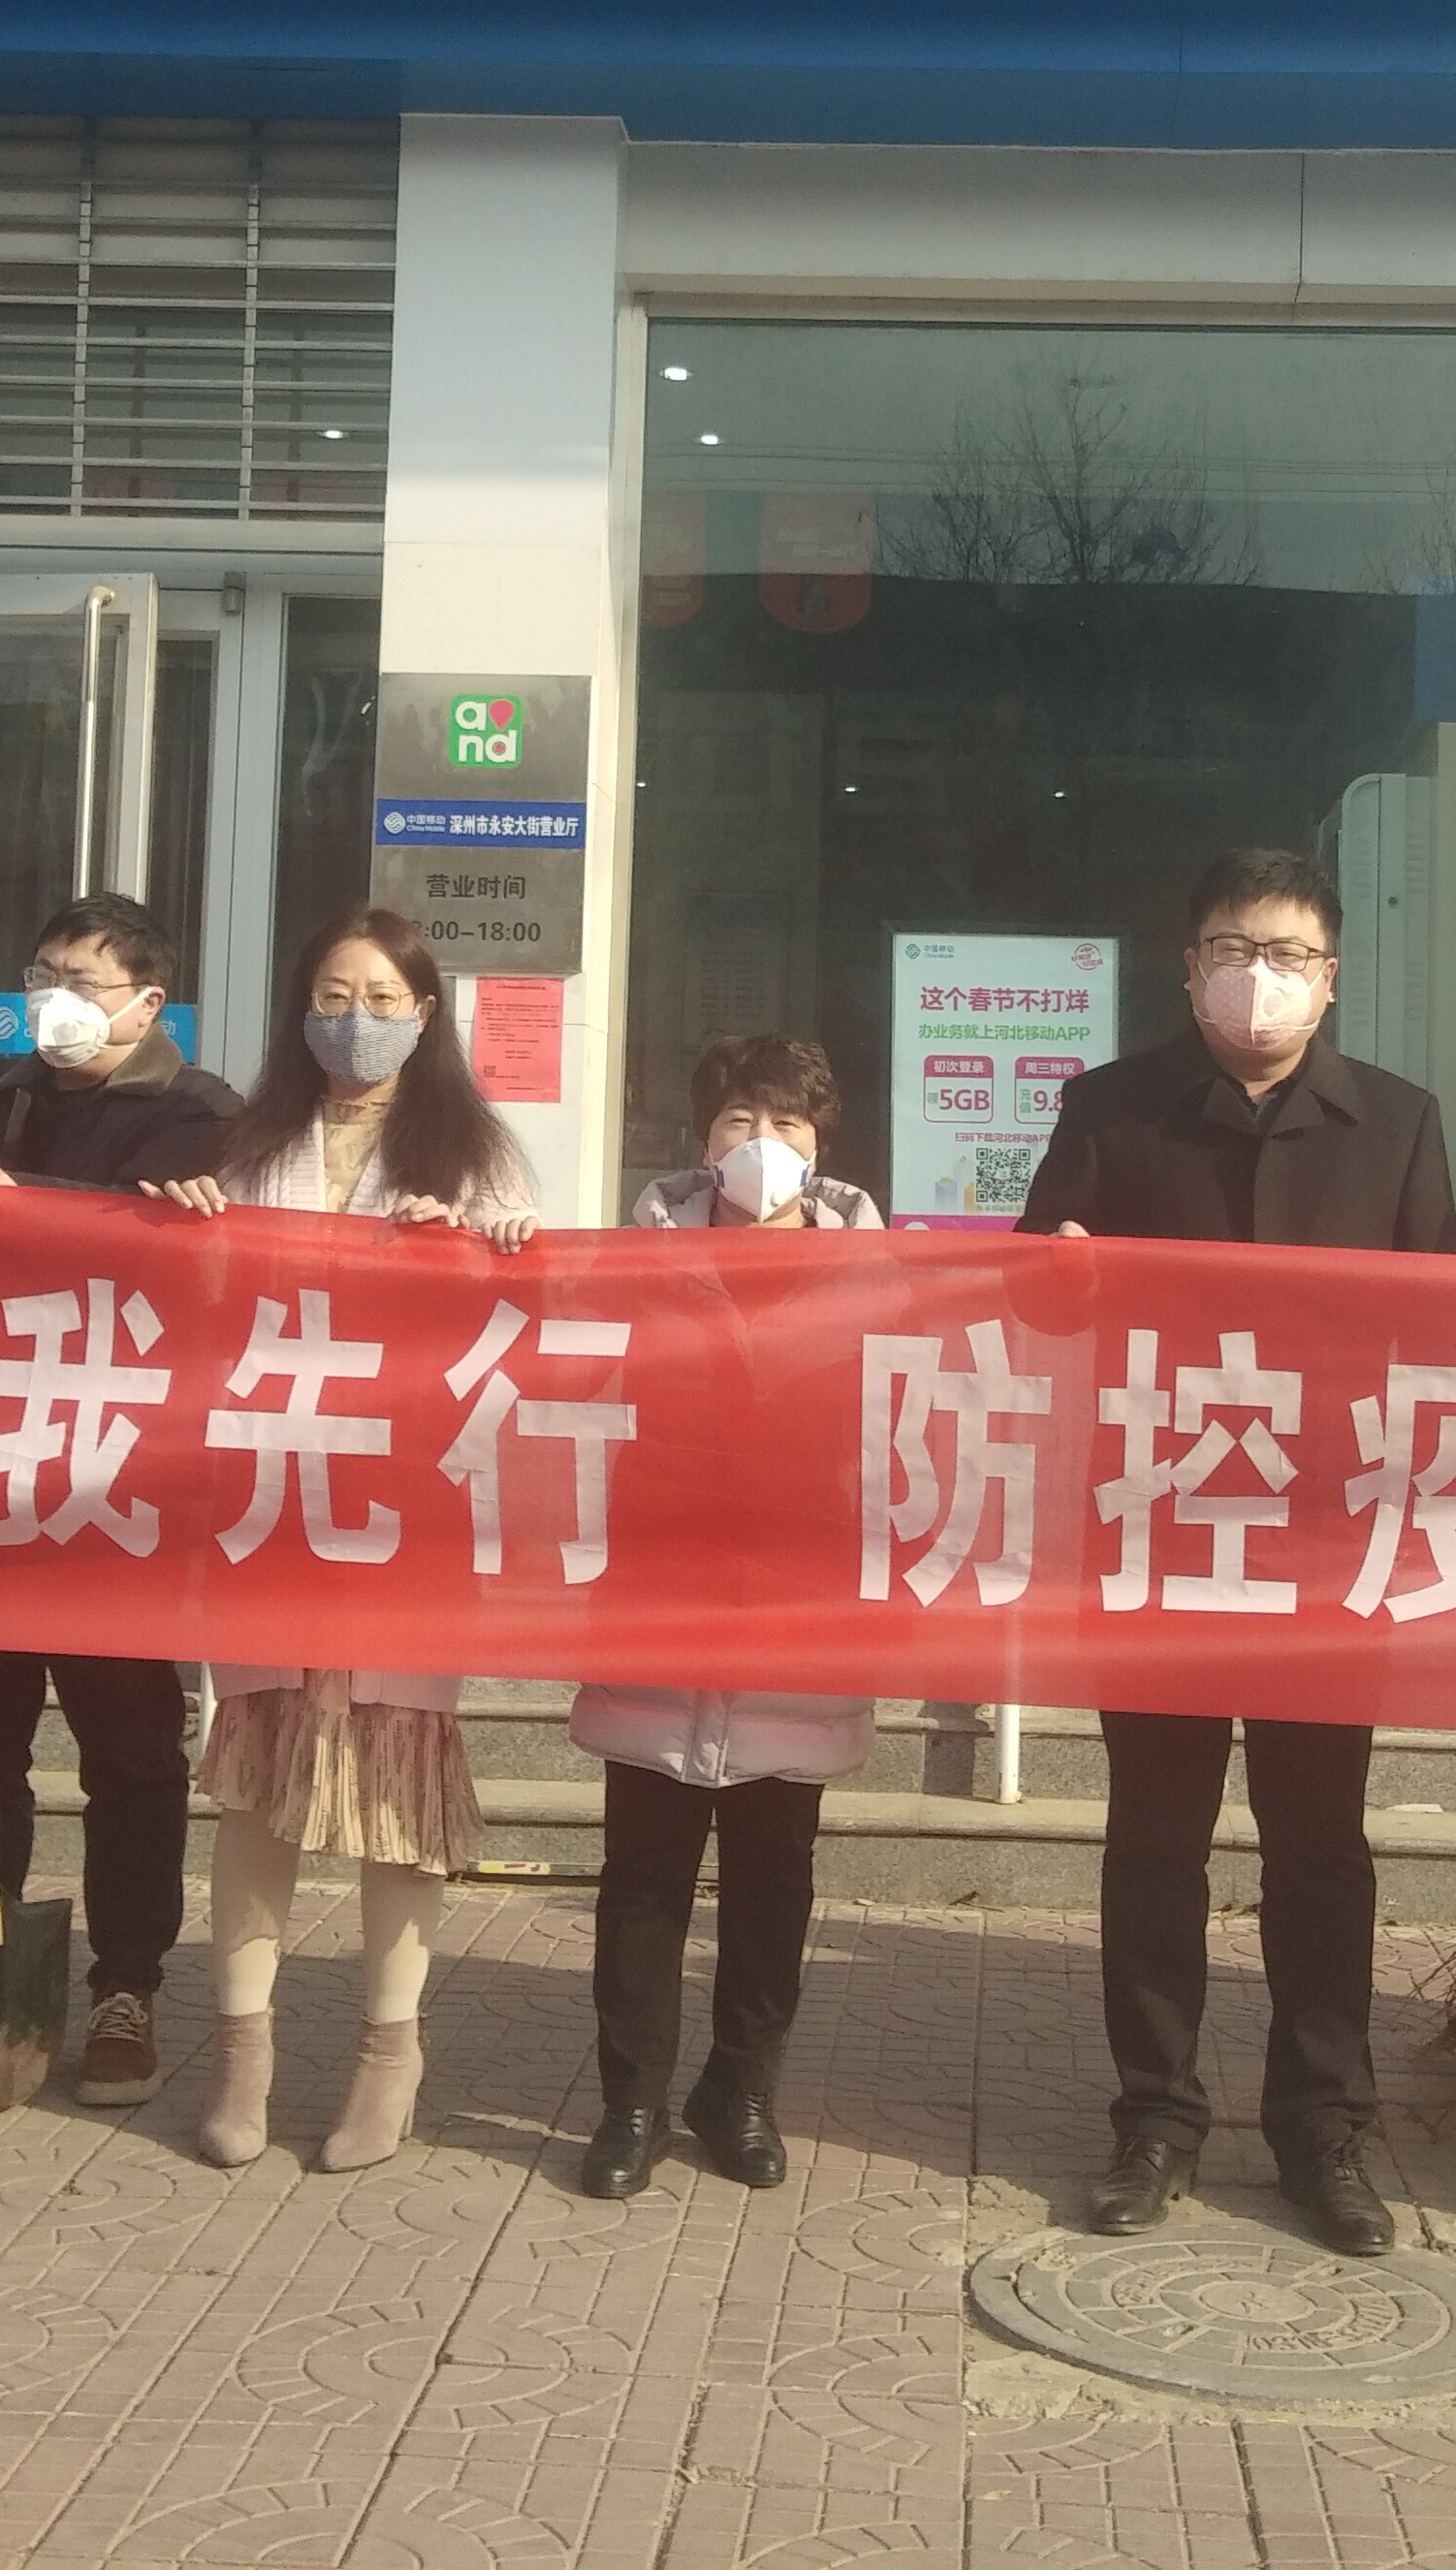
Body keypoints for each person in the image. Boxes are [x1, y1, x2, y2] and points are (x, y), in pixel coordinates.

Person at [1021, 845, 1456, 2261]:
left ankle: (1322, 2127)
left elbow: (1442, 1328)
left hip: (1323, 1540)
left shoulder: (1396, 1122)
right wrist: (1057, 1280)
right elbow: (1035, 1304)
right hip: (1155, 1526)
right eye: (1229, 949)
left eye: (1284, 954)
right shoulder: (1110, 1109)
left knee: (1320, 1846)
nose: (1255, 977)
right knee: (1155, 1839)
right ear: (1188, 966)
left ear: (1330, 979)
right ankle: (1154, 2118)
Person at [153, 904, 536, 2172]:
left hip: (405, 1512)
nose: (354, 1021)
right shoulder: (246, 1143)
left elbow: (521, 1327)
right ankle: (242, 2050)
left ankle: (389, 2050)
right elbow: (195, 1318)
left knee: (396, 1786)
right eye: (333, 995)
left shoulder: (478, 1153)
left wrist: (480, 1253)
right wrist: (189, 1229)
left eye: (381, 1000)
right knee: (257, 1776)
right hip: (270, 1497)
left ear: (425, 1016)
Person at [0, 891, 239, 2108]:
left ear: (148, 1003)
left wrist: (22, 1205)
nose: (52, 1000)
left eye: (81, 982)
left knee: (132, 1752)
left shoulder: (202, 1117)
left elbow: (188, 1267)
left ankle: (127, 1985)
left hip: (117, 1481)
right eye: (40, 975)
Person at [571, 1033, 885, 2201]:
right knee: (642, 1877)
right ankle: (631, 2104)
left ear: (822, 1142)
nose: (764, 1145)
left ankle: (740, 2092)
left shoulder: (881, 1275)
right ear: (701, 1141)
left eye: (787, 1124)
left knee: (772, 1878)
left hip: (798, 1611)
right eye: (740, 1122)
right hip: (661, 1601)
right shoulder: (632, 1261)